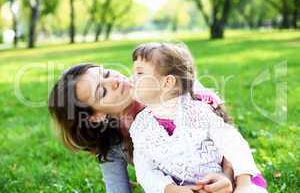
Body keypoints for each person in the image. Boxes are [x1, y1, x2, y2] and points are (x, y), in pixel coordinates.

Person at [48, 62, 234, 193]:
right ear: (97, 116)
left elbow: (229, 140)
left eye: (106, 73)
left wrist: (226, 177)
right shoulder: (112, 144)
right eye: (102, 91)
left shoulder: (165, 84)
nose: (114, 81)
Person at [129, 42, 268, 193]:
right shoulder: (141, 126)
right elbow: (145, 170)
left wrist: (243, 184)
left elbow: (234, 144)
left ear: (168, 82)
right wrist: (172, 189)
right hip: (182, 189)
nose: (132, 78)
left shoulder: (198, 112)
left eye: (140, 73)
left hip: (223, 181)